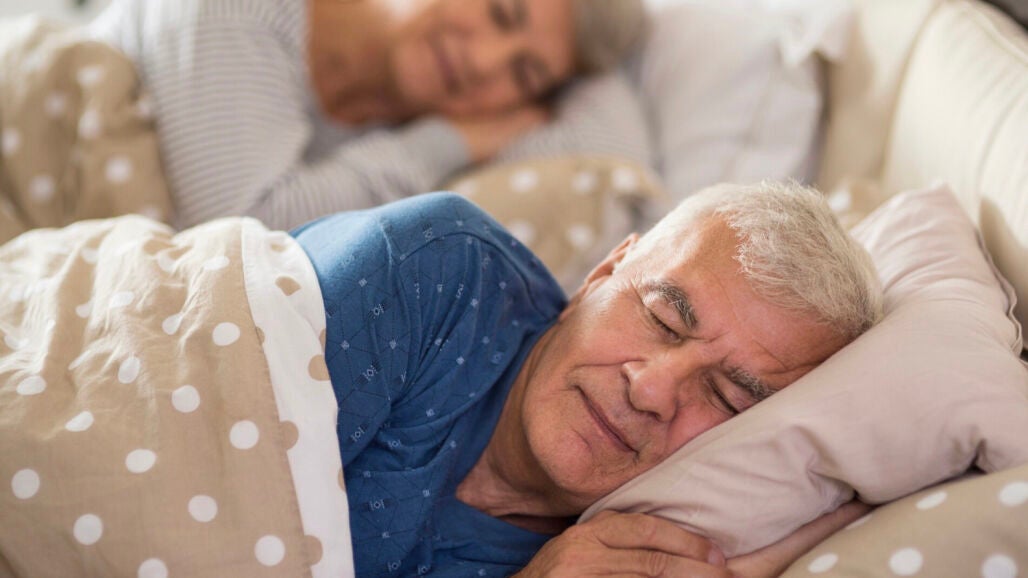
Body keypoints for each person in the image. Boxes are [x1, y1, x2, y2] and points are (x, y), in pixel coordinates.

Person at [291, 180, 884, 576]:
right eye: (662, 319)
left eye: (726, 398)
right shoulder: (439, 270)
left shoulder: (632, 556)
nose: (650, 390)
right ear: (603, 273)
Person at [87, 0, 648, 231]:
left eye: (524, 74)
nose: (483, 62)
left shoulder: (390, 131)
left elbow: (624, 174)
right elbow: (242, 229)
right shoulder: (250, 11)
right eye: (500, 13)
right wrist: (450, 140)